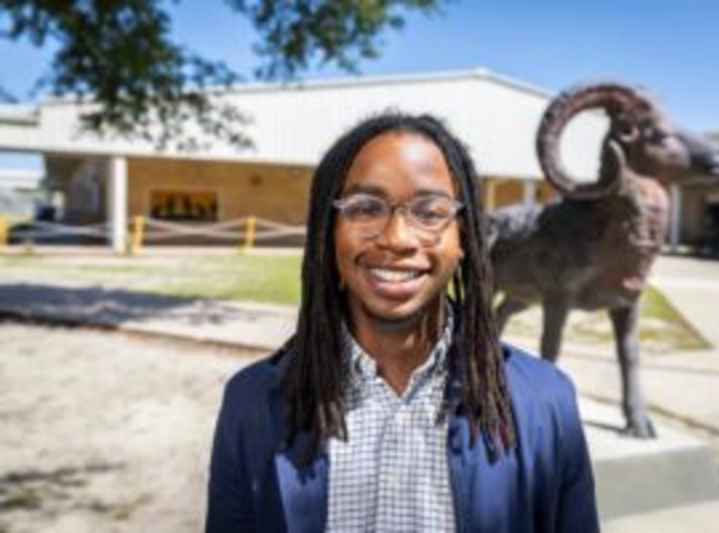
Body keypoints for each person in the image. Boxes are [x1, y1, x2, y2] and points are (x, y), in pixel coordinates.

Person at [205, 112, 599, 532]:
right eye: (365, 208)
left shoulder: (545, 402)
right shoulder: (252, 402)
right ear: (328, 231)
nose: (396, 237)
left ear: (464, 237)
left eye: (430, 212)